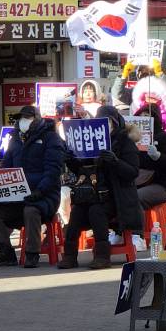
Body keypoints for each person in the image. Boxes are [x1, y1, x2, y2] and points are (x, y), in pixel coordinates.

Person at [58, 106, 143, 269]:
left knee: (96, 211)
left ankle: (102, 256)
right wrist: (71, 160)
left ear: (115, 122)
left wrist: (115, 161)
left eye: (108, 121)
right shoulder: (91, 140)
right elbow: (82, 170)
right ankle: (69, 256)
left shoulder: (125, 142)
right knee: (76, 214)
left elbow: (132, 172)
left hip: (117, 197)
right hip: (91, 193)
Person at [0, 105, 65, 269]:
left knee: (31, 210)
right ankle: (5, 251)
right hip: (17, 196)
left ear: (37, 119)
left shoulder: (51, 138)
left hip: (45, 196)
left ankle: (32, 253)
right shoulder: (14, 140)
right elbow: (6, 170)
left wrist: (40, 191)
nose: (23, 121)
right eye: (21, 118)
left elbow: (53, 171)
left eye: (27, 118)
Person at [133, 102, 166, 210]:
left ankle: (139, 227)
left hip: (160, 185)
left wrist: (158, 156)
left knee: (135, 198)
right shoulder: (132, 139)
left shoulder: (165, 137)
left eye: (146, 116)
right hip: (135, 183)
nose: (143, 119)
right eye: (141, 116)